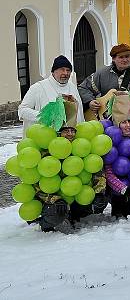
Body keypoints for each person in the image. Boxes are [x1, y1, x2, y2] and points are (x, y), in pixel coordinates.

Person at [35, 96, 107, 231]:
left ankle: (72, 215)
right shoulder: (46, 153)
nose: (70, 134)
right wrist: (54, 199)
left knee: (98, 203)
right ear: (58, 132)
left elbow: (98, 171)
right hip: (54, 200)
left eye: (72, 130)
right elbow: (36, 185)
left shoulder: (81, 148)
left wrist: (99, 192)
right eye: (65, 131)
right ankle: (46, 221)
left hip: (76, 194)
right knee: (56, 212)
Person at [78, 43, 130, 121]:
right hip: (108, 120)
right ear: (113, 59)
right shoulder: (102, 73)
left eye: (127, 56)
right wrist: (90, 101)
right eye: (121, 57)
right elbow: (83, 88)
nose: (125, 60)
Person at [18, 55, 84, 131]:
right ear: (53, 71)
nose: (65, 73)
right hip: (45, 137)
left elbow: (80, 113)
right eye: (62, 69)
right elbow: (22, 110)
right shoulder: (38, 87)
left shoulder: (72, 87)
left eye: (68, 70)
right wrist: (44, 116)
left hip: (70, 137)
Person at [103, 94, 130, 219]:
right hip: (117, 190)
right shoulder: (110, 142)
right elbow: (108, 173)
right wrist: (122, 188)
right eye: (124, 122)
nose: (128, 125)